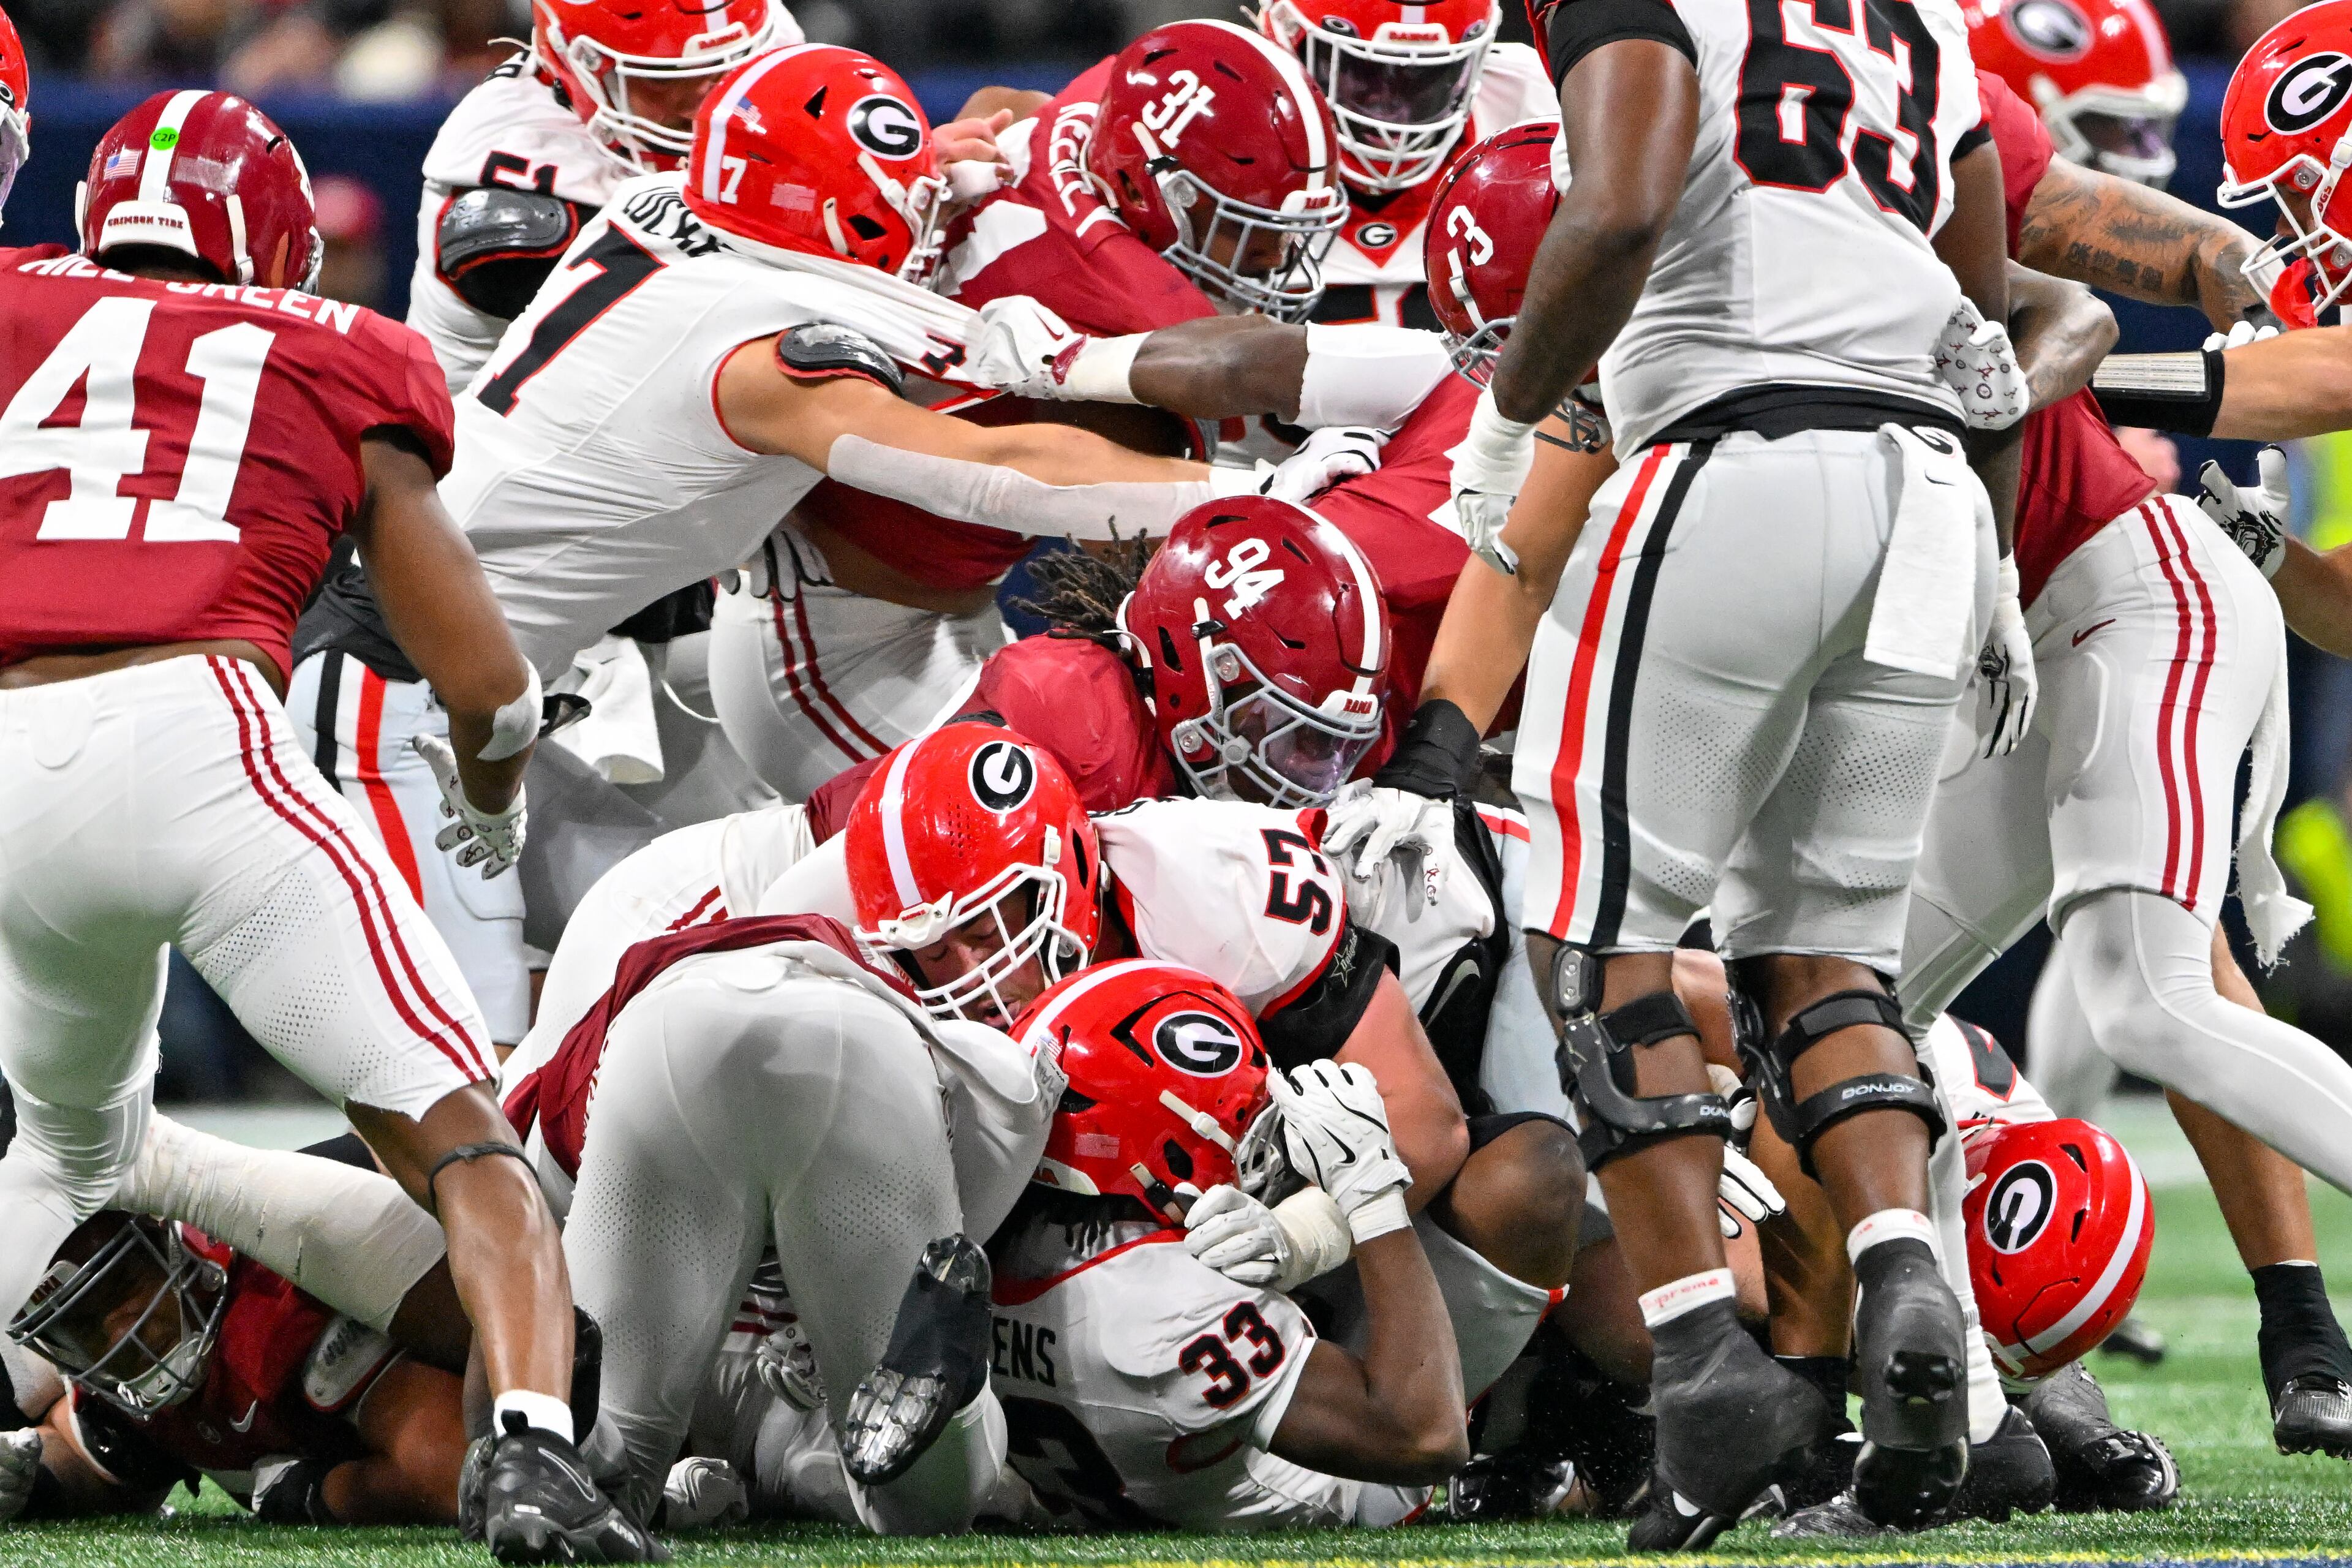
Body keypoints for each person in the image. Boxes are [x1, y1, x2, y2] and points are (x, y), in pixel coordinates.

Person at [0, 91, 652, 1562]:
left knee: (68, 1148)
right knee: (461, 1136)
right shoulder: (340, 349)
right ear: (283, 242)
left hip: (8, 765)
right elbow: (491, 690)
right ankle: (533, 1453)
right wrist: (488, 798)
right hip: (197, 735)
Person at [705, 17, 1360, 800]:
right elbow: (1143, 546)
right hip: (830, 645)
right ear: (1155, 194)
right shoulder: (1110, 310)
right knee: (1036, 834)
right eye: (1249, 234)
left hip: (916, 607)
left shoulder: (1054, 133)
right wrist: (1286, 499)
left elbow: (1001, 102)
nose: (1278, 263)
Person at [497, 907, 1060, 1536]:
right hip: (865, 1038)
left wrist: (521, 1385)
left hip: (658, 1049)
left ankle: (583, 1437)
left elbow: (506, 1225)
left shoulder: (550, 1065)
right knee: (916, 1501)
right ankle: (952, 1379)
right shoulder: (853, 950)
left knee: (608, 1478)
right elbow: (1010, 1091)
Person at [988, 960, 1471, 1528]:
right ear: (1159, 1148)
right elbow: (1425, 1439)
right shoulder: (1173, 1305)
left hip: (1103, 1490)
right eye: (1240, 1116)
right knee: (1519, 1175)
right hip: (1344, 1498)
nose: (1249, 1131)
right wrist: (1371, 1193)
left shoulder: (988, 1228)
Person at [2, 1214, 466, 1527]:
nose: (122, 1334)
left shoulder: (276, 1293)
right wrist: (27, 1480)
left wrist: (320, 1495)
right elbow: (91, 1460)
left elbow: (454, 1474)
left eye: (123, 1284)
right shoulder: (114, 1373)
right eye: (80, 1324)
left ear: (167, 1243)